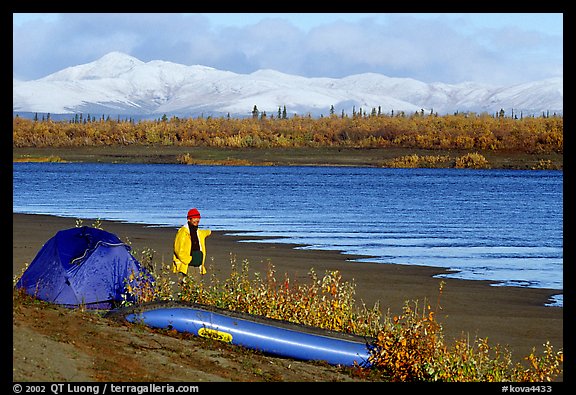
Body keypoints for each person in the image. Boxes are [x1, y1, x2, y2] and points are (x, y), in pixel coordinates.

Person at [173, 208, 211, 277]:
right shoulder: (183, 232)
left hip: (197, 265)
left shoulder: (197, 231)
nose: (197, 220)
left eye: (198, 218)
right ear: (189, 219)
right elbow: (178, 250)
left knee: (197, 286)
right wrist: (189, 260)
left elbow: (204, 233)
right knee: (190, 286)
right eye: (194, 218)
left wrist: (209, 232)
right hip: (187, 266)